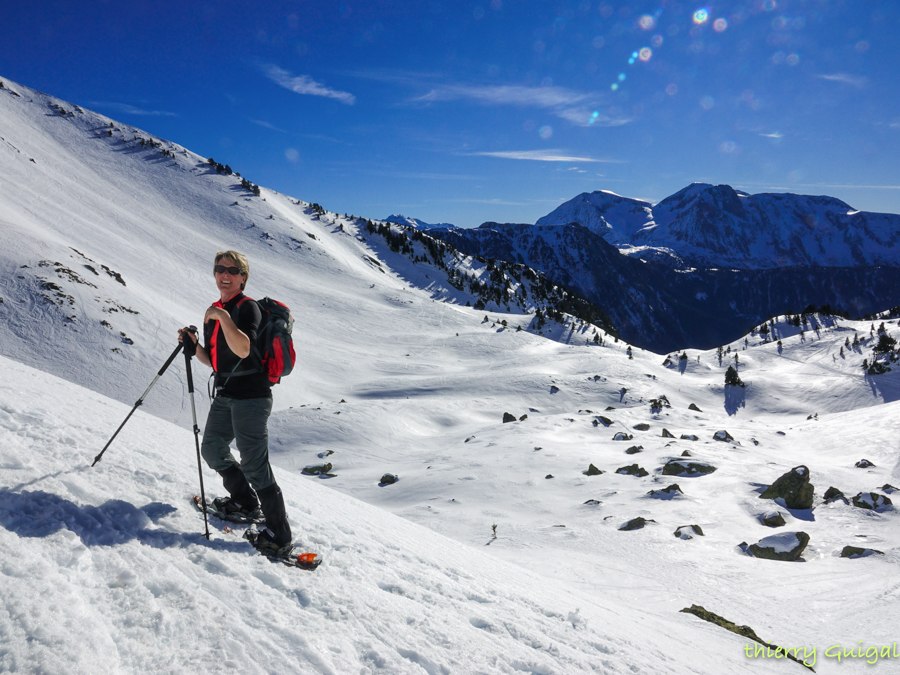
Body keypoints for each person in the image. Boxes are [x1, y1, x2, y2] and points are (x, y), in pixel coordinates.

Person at [178, 250, 293, 554]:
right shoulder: (217, 309)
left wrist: (224, 318)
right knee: (213, 449)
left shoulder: (247, 308)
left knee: (255, 465)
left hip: (252, 398)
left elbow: (243, 349)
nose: (224, 275)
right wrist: (194, 346)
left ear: (243, 277)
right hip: (226, 393)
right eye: (219, 269)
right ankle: (244, 502)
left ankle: (280, 535)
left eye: (232, 270)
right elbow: (217, 360)